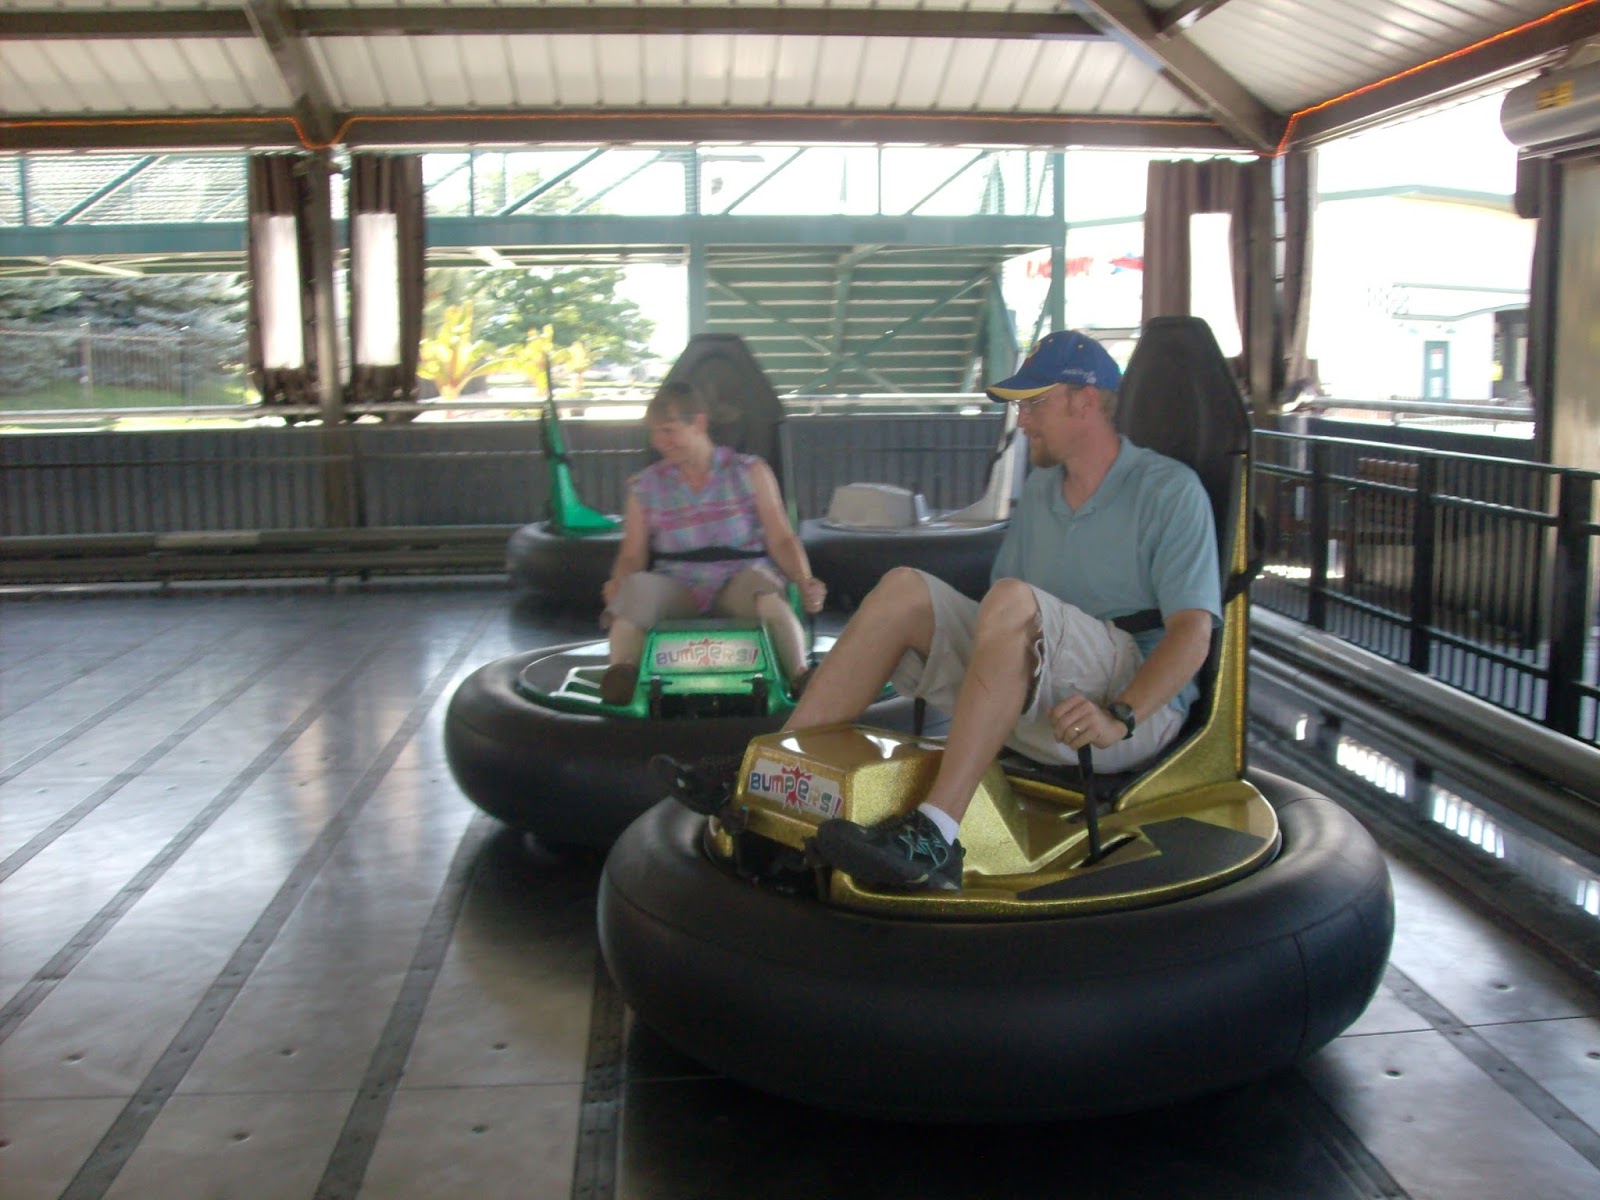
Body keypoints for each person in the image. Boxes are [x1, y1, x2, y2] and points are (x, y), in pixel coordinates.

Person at [663, 329, 1220, 893]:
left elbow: (1192, 634)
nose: (1022, 421)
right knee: (904, 588)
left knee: (1008, 600)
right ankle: (763, 768)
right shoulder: (1043, 495)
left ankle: (936, 833)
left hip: (1125, 711)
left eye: (1035, 403)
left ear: (1084, 400)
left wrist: (1119, 715)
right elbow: (1005, 626)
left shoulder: (1168, 491)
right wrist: (918, 644)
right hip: (1047, 699)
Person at [599, 379, 826, 705]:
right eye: (655, 433)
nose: (659, 442)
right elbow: (632, 554)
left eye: (669, 430)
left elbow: (781, 538)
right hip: (678, 587)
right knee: (634, 591)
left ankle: (801, 677)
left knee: (764, 591)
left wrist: (804, 580)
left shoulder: (750, 472)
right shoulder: (646, 486)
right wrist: (618, 582)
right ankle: (623, 676)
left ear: (699, 423)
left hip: (738, 582)